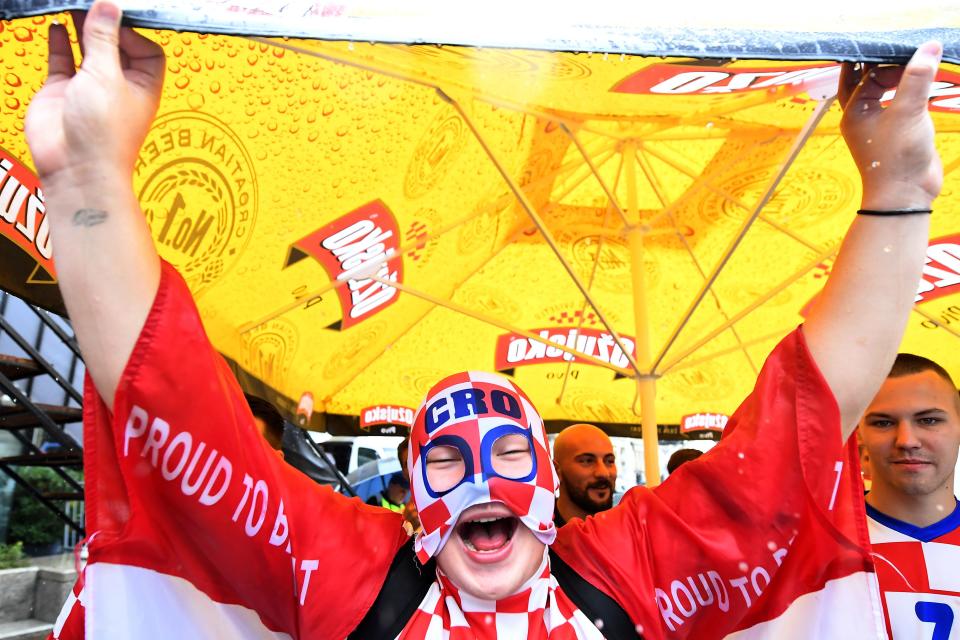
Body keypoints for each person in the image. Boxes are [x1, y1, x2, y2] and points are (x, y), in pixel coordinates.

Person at [33, 3, 943, 638]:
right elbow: (182, 418)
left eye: (510, 457)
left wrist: (898, 193)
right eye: (446, 462)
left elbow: (793, 430)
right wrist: (88, 180)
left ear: (546, 485)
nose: (482, 486)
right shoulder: (355, 579)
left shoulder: (628, 575)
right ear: (412, 500)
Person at [857, 354, 960, 639]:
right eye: (883, 423)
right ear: (858, 435)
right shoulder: (808, 549)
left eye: (928, 420)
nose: (907, 440)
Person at [552, 423, 617, 526]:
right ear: (556, 471)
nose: (603, 473)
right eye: (587, 461)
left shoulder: (630, 531)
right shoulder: (533, 534)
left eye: (609, 461)